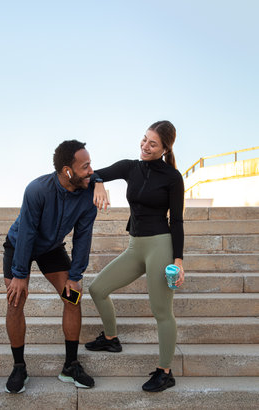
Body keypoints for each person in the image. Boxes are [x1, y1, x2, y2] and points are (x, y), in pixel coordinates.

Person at [85, 121, 185, 393]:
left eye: (153, 144)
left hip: (160, 246)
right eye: (144, 139)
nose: (145, 146)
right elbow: (93, 174)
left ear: (165, 148)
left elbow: (176, 221)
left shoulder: (173, 178)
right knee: (97, 288)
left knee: (161, 311)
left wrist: (178, 260)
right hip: (135, 246)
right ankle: (110, 338)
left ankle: (165, 372)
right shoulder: (131, 167)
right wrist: (98, 184)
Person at [3, 140, 98, 393]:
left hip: (51, 249)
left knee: (73, 298)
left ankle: (70, 365)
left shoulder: (89, 195)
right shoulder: (37, 190)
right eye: (85, 166)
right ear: (68, 171)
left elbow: (82, 236)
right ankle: (19, 367)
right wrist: (20, 274)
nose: (91, 170)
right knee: (15, 300)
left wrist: (75, 276)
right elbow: (27, 232)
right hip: (19, 245)